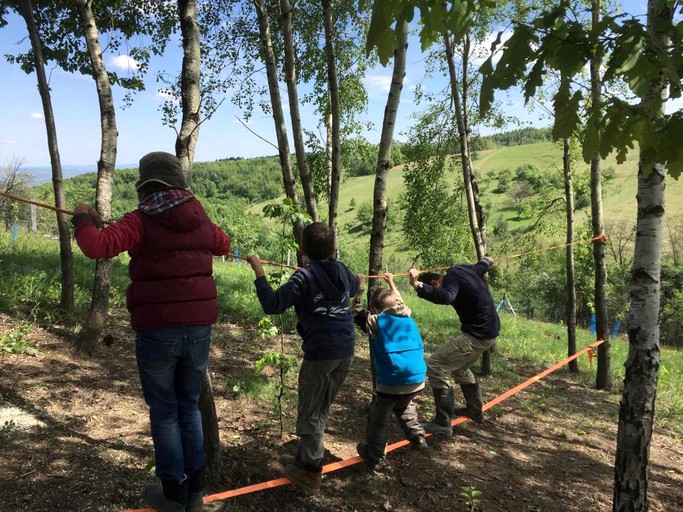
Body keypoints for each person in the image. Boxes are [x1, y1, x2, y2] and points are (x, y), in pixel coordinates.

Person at [71, 151, 231, 512]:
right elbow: (222, 243)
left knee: (164, 411)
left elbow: (95, 246)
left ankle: (173, 494)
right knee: (188, 406)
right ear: (178, 183)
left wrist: (83, 216)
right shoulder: (198, 215)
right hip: (199, 328)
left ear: (146, 185)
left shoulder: (140, 220)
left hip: (158, 329)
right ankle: (196, 494)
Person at [245, 222, 360, 494]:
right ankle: (304, 457)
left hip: (321, 353)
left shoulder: (303, 278)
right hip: (346, 350)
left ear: (303, 251)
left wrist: (259, 270)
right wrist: (360, 287)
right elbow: (355, 286)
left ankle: (310, 472)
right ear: (334, 249)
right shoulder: (343, 270)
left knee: (311, 410)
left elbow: (272, 305)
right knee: (319, 407)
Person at [408, 257, 500, 436]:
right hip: (489, 331)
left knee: (436, 365)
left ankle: (443, 423)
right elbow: (481, 267)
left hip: (477, 333)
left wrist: (417, 284)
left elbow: (446, 296)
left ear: (435, 282)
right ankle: (474, 410)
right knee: (459, 369)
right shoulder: (465, 269)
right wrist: (485, 261)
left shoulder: (451, 278)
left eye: (433, 288)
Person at [353, 273, 428, 471]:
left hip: (390, 383)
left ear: (375, 309)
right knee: (404, 405)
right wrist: (391, 282)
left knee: (379, 418)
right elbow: (399, 301)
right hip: (417, 379)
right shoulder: (407, 314)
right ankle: (418, 437)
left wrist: (359, 288)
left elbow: (356, 312)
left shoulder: (376, 321)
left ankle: (375, 456)